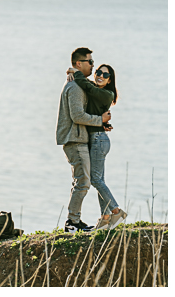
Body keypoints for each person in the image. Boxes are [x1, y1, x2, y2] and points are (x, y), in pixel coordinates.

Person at [56, 47, 112, 233]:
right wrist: (100, 120)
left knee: (82, 181)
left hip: (79, 138)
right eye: (90, 62)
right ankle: (72, 222)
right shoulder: (75, 87)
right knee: (83, 182)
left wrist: (100, 126)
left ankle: (75, 221)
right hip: (74, 139)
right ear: (79, 63)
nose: (93, 66)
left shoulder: (77, 83)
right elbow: (78, 116)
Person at [68, 62, 127, 230]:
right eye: (98, 72)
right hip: (97, 137)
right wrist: (102, 123)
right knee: (100, 180)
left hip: (98, 140)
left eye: (105, 75)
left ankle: (116, 211)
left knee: (95, 180)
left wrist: (76, 72)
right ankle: (106, 218)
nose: (100, 75)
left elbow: (88, 88)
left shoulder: (106, 94)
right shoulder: (97, 91)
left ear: (110, 80)